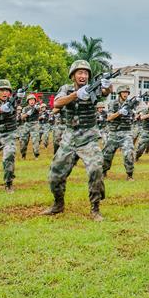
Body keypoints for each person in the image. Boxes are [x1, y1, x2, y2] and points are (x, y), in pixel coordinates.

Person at [42, 60, 110, 220]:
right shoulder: (66, 89)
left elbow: (105, 92)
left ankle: (95, 208)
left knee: (95, 170)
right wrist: (75, 95)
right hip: (69, 138)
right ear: (73, 75)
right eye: (79, 72)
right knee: (55, 174)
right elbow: (57, 102)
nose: (83, 75)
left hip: (89, 138)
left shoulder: (95, 87)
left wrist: (107, 85)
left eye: (86, 73)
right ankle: (58, 205)